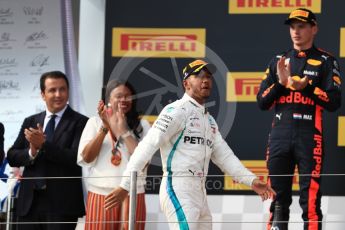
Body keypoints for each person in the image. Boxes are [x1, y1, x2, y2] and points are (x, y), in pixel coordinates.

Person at [104, 59, 276, 230]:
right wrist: (125, 185)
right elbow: (147, 145)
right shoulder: (176, 110)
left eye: (209, 77)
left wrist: (252, 181)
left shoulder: (209, 121)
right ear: (186, 83)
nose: (206, 80)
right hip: (178, 188)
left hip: (200, 192)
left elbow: (226, 157)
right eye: (200, 76)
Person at [256, 8, 342, 230]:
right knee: (278, 200)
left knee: (310, 202)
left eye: (301, 26)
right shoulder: (278, 61)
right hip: (279, 137)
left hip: (309, 137)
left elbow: (334, 102)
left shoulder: (326, 61)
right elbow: (262, 102)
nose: (296, 31)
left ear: (314, 28)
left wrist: (309, 89)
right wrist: (281, 84)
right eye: (292, 27)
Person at [7, 71, 88, 230]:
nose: (58, 94)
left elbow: (76, 158)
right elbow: (12, 156)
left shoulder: (81, 122)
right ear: (43, 94)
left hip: (62, 205)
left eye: (62, 89)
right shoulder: (30, 121)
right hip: (29, 203)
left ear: (68, 91)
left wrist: (44, 145)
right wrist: (32, 152)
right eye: (52, 90)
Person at [77, 80, 150, 230]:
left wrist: (124, 131)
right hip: (101, 194)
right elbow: (86, 158)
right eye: (118, 96)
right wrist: (105, 127)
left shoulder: (142, 125)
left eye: (128, 96)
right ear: (108, 100)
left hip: (133, 193)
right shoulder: (94, 122)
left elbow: (144, 161)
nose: (123, 100)